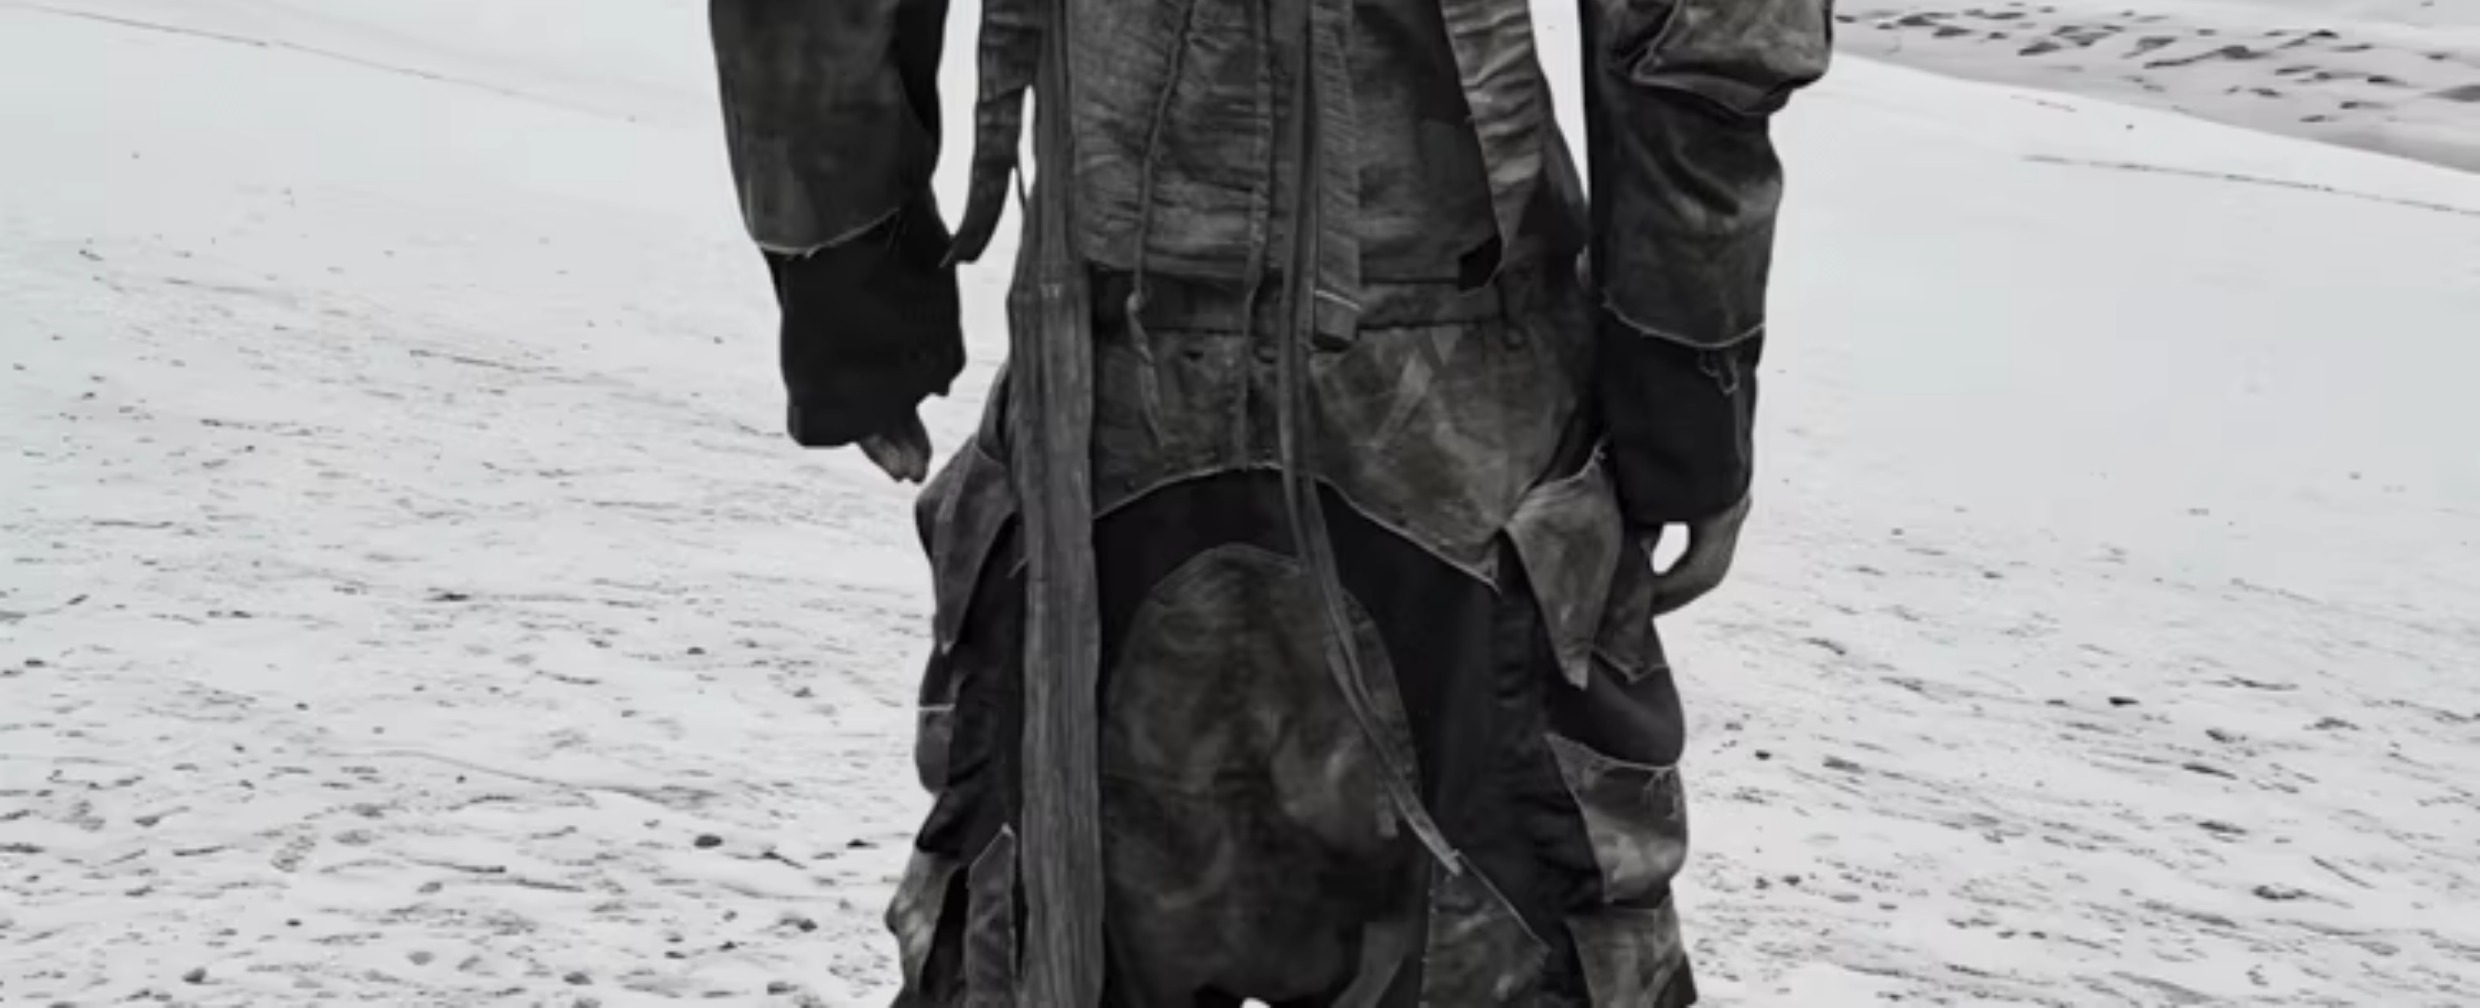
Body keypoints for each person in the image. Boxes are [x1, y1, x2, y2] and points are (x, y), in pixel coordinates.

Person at [707, 0, 1828, 1003]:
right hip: (1425, 410)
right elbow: (1711, 31)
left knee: (1037, 937)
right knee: (1513, 937)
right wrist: (1688, 380)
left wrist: (851, 293)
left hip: (1122, 376)